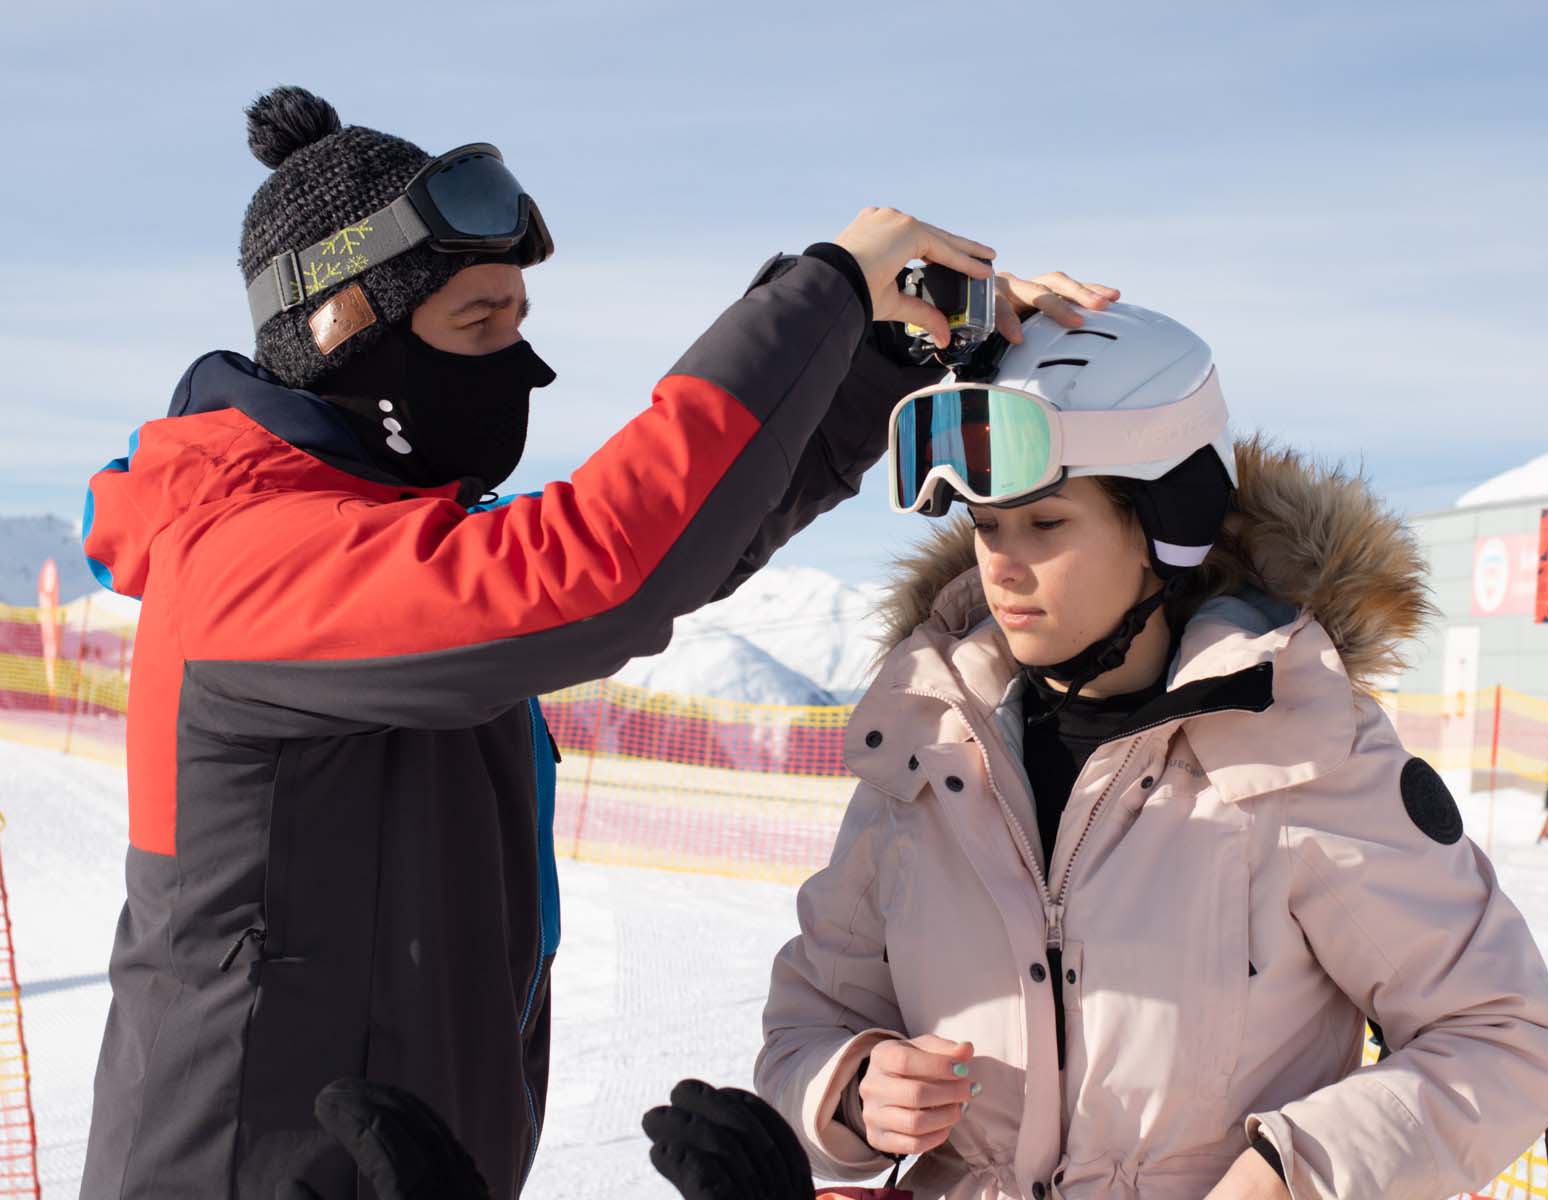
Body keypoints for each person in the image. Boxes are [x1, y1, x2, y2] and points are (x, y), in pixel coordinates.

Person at [77, 83, 1115, 1198]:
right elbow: (601, 571)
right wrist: (823, 290)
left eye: (522, 322)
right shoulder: (247, 560)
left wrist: (881, 354)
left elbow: (699, 544)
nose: (521, 366)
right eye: (480, 324)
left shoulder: (380, 547)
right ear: (342, 331)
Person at [757, 306, 1548, 1200]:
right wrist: (852, 1090)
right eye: (988, 528)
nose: (1001, 563)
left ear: (1166, 524)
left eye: (1045, 524)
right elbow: (814, 1020)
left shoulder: (1298, 749)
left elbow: (1507, 1036)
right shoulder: (924, 745)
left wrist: (1291, 1173)